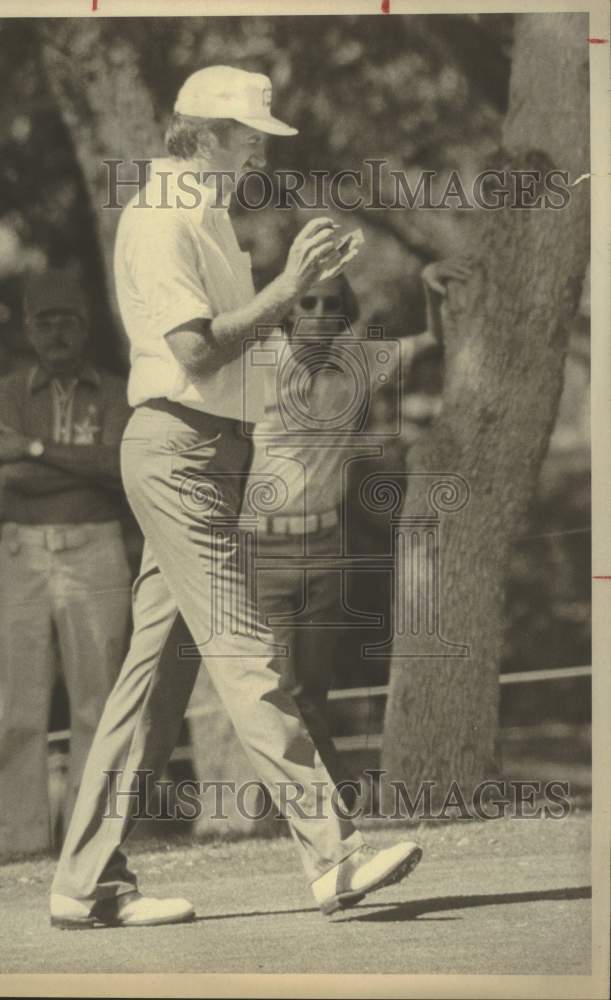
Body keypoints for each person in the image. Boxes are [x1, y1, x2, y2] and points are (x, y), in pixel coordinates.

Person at [49, 65, 422, 929]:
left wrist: (304, 288)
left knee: (151, 682)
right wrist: (289, 286)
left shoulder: (204, 213)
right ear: (203, 134)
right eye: (248, 134)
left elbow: (244, 356)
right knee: (246, 647)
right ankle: (332, 857)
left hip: (210, 453)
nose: (258, 148)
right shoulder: (161, 216)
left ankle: (81, 881)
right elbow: (198, 352)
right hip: (178, 449)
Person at [245, 258, 473, 786]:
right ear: (286, 310)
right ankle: (331, 803)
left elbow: (429, 343)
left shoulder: (357, 359)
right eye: (309, 304)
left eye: (332, 305)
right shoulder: (252, 366)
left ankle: (316, 810)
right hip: (263, 553)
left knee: (310, 692)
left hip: (326, 548)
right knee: (279, 693)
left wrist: (429, 287)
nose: (321, 315)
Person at [0, 269, 133, 857]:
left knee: (99, 702)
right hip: (22, 552)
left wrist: (39, 449)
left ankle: (91, 838)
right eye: (43, 318)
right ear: (27, 326)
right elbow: (9, 474)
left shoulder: (117, 389)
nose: (56, 329)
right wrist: (80, 463)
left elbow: (119, 467)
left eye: (66, 317)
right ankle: (17, 842)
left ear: (86, 322)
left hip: (96, 546)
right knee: (19, 707)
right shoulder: (8, 392)